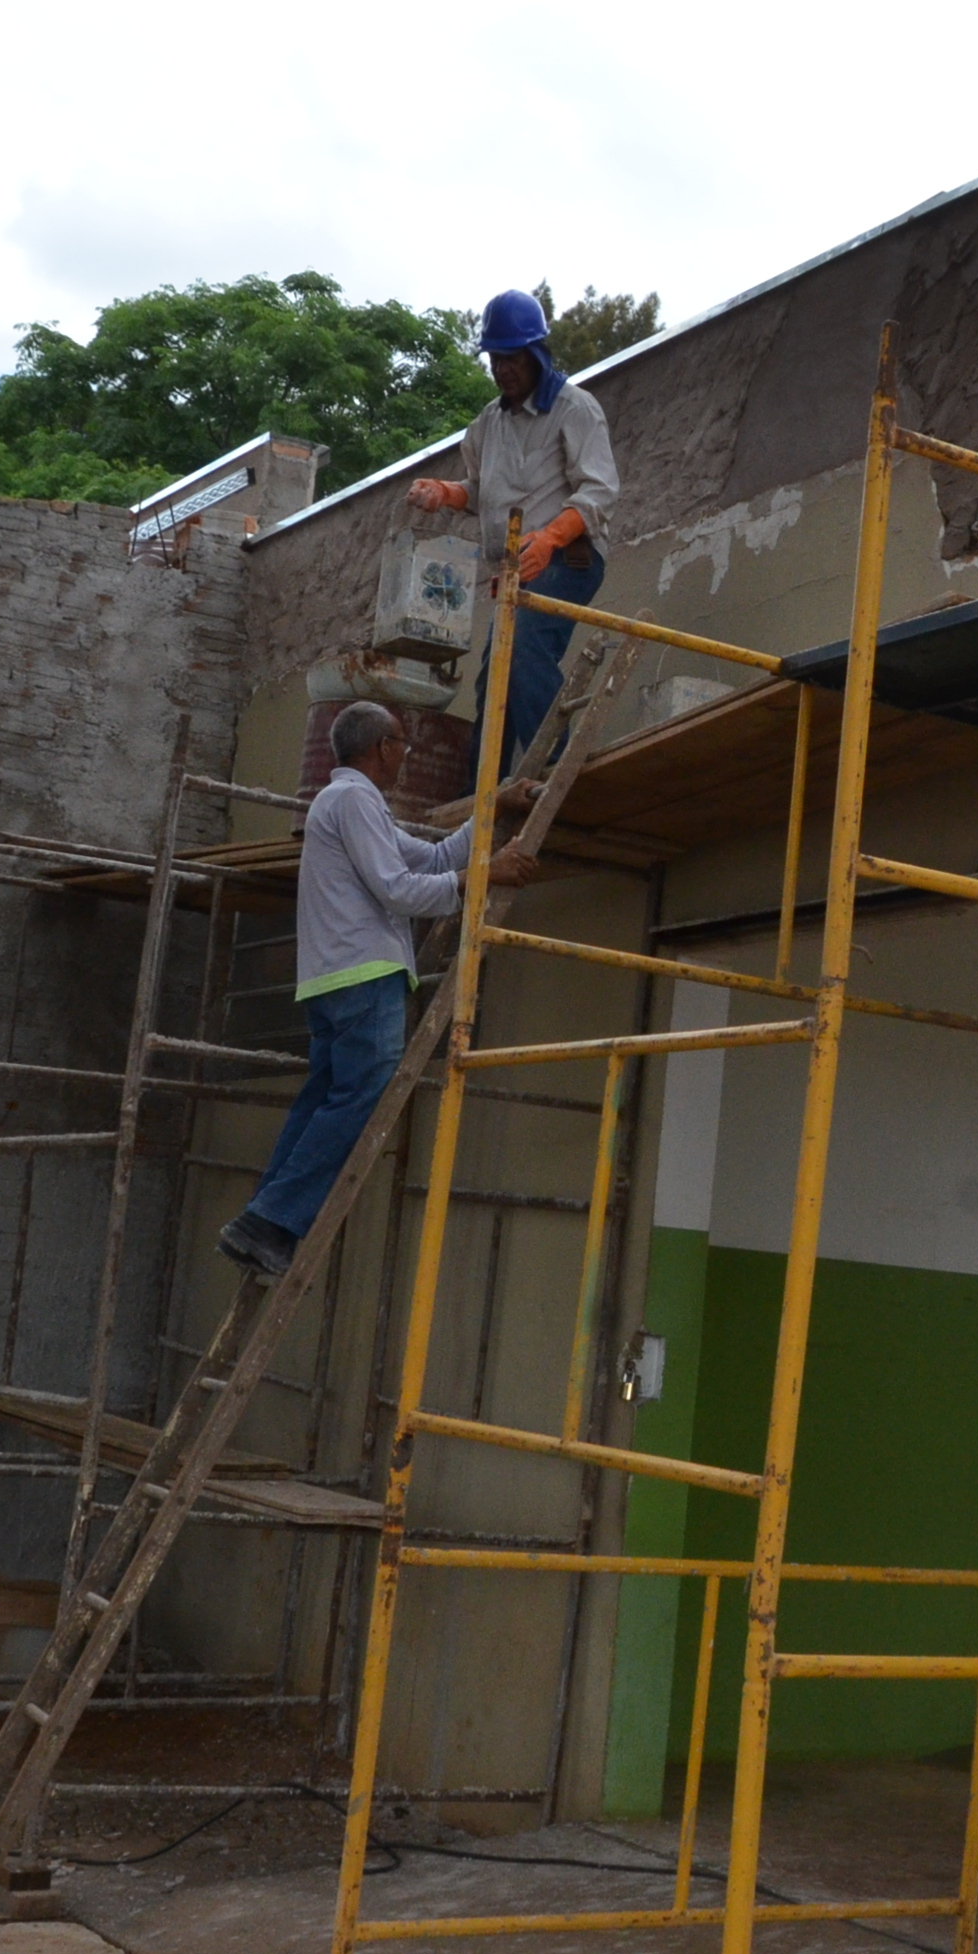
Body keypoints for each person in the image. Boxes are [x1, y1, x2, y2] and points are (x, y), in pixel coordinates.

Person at [217, 700, 534, 1276]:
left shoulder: (350, 805)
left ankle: (262, 1221)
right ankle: (273, 1219)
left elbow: (435, 856)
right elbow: (400, 891)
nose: (406, 755)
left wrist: (492, 809)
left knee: (324, 1100)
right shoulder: (354, 799)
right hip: (363, 974)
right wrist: (488, 876)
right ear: (382, 747)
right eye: (402, 745)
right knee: (358, 1098)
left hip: (334, 978)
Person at [405, 288, 620, 764]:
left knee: (522, 653)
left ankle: (552, 771)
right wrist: (446, 492)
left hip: (570, 559)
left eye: (512, 358)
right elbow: (483, 493)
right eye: (495, 358)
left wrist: (550, 538)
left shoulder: (575, 408)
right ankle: (480, 799)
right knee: (493, 679)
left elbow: (600, 491)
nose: (503, 369)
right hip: (517, 568)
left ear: (536, 353)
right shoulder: (488, 424)